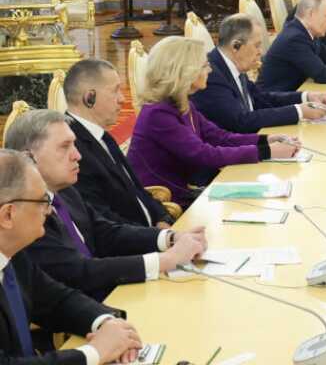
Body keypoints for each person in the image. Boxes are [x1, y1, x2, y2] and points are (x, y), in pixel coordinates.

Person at [4, 110, 206, 302]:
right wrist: (165, 260)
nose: (77, 155)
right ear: (28, 158)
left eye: (74, 145)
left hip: (106, 298)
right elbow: (78, 271)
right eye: (65, 147)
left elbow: (106, 233)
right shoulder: (24, 213)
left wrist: (170, 238)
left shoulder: (65, 190)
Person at [0, 149, 144, 364]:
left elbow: (57, 300)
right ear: (8, 215)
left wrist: (106, 324)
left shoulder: (14, 255)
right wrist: (95, 352)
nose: (49, 211)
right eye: (42, 201)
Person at [127, 37, 300, 208]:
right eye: (204, 66)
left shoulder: (182, 103)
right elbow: (204, 154)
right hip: (164, 205)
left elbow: (220, 137)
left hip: (184, 193)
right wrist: (268, 151)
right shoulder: (158, 113)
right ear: (184, 72)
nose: (209, 70)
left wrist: (266, 140)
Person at [61, 59, 172, 228]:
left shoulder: (101, 135)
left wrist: (163, 218)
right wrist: (157, 237)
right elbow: (102, 220)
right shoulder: (73, 148)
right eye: (115, 91)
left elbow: (137, 190)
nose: (122, 99)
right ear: (89, 98)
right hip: (132, 240)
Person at [191, 15, 326, 134]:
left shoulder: (233, 64)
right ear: (236, 46)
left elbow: (261, 98)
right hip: (230, 153)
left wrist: (306, 97)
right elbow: (240, 122)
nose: (260, 52)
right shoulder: (211, 75)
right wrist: (298, 112)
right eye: (257, 45)